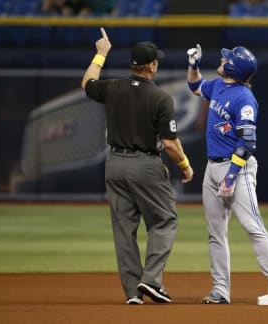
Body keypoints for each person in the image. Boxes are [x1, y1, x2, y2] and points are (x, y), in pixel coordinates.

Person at [81, 28, 194, 305]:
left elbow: (87, 84)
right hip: (145, 165)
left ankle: (133, 293)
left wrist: (100, 54)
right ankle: (151, 280)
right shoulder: (161, 98)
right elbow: (169, 143)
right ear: (152, 66)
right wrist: (186, 165)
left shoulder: (113, 87)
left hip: (115, 164)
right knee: (165, 220)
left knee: (124, 230)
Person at [186, 44, 268, 305]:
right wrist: (193, 65)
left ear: (233, 68)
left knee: (253, 227)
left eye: (227, 58)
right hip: (212, 169)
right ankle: (221, 290)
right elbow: (195, 87)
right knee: (215, 233)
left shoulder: (244, 99)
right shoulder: (219, 86)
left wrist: (231, 176)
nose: (222, 58)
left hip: (238, 169)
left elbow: (247, 143)